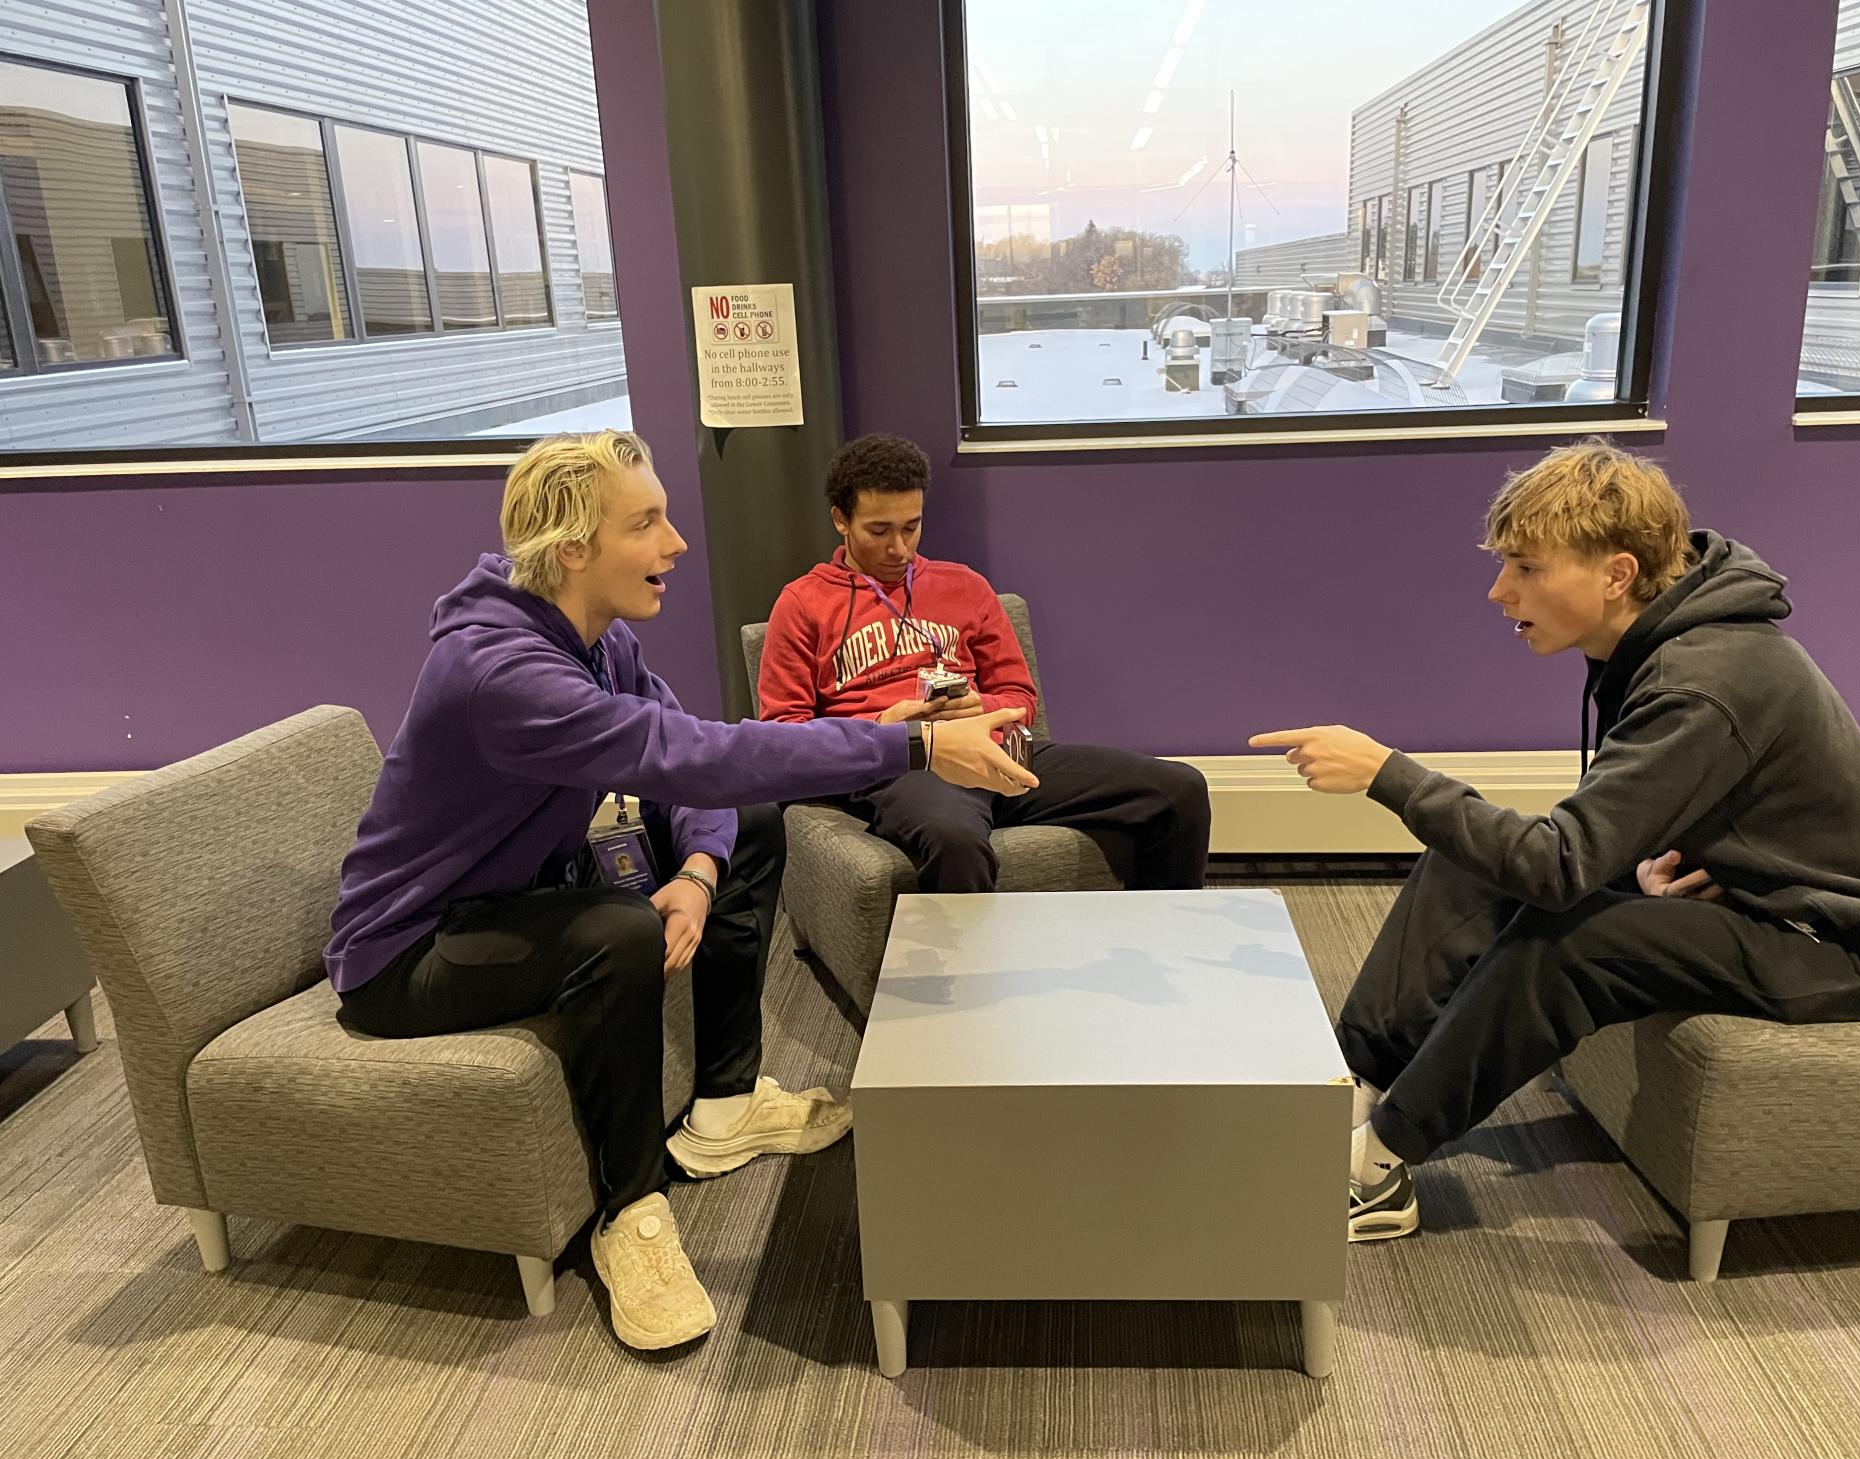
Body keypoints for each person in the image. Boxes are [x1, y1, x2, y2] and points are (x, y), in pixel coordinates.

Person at [326, 430, 1035, 1351]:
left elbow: (692, 758)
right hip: (410, 951)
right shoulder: (502, 674)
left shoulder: (595, 635)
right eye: (648, 523)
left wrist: (700, 871)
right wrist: (915, 743)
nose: (676, 544)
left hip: (522, 890)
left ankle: (725, 1105)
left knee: (754, 825)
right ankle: (630, 1215)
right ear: (573, 550)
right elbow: (696, 753)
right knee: (618, 932)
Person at [1250, 439, 1860, 1243]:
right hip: (1755, 900)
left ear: (1616, 574)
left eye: (1525, 568)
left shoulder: (1703, 679)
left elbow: (1559, 867)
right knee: (1466, 864)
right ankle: (1355, 1083)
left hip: (1841, 947)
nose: (1497, 589)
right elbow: (1636, 822)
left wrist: (1386, 773)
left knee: (1571, 936)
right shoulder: (1667, 642)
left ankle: (1376, 1168)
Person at [757, 432, 1210, 893]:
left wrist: (978, 706)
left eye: (911, 527)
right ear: (841, 520)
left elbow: (1020, 696)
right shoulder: (802, 604)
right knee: (953, 839)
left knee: (1179, 790)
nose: (900, 549)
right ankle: (969, 967)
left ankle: (1163, 948)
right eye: (879, 531)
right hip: (909, 766)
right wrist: (882, 727)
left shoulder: (965, 586)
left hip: (998, 750)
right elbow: (784, 735)